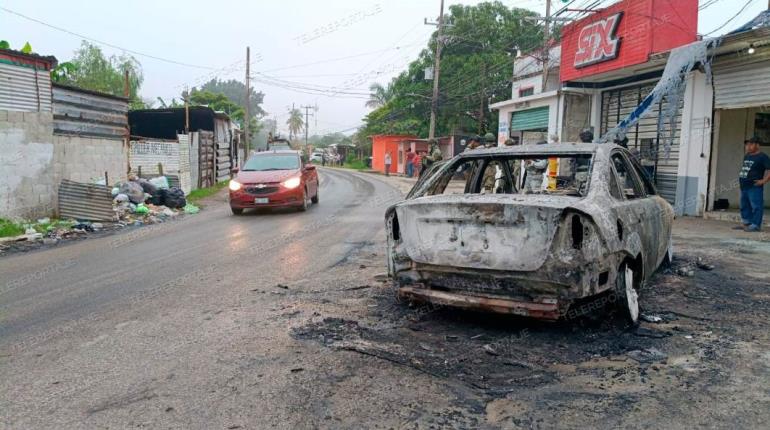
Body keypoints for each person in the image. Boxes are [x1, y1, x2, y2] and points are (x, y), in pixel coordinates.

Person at [736, 136, 770, 232]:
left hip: (754, 186)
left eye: (751, 144)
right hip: (744, 186)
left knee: (756, 206)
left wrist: (763, 181)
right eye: (747, 144)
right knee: (744, 205)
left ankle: (756, 225)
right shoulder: (747, 155)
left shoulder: (763, 157)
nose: (748, 146)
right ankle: (747, 223)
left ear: (757, 145)